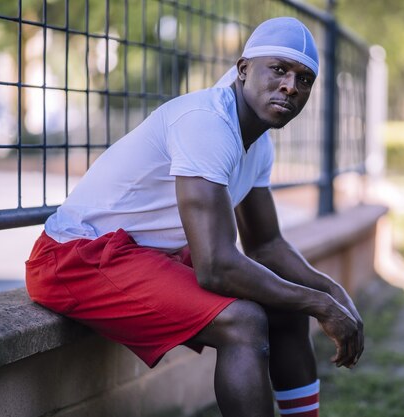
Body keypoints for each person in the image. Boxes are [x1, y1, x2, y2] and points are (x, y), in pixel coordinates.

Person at [25, 16, 363, 417]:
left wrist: (332, 293)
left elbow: (266, 244)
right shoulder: (206, 122)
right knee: (245, 321)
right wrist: (321, 306)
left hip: (139, 254)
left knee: (286, 307)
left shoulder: (257, 143)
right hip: (72, 259)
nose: (291, 86)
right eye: (279, 69)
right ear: (243, 69)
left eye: (304, 79)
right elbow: (216, 267)